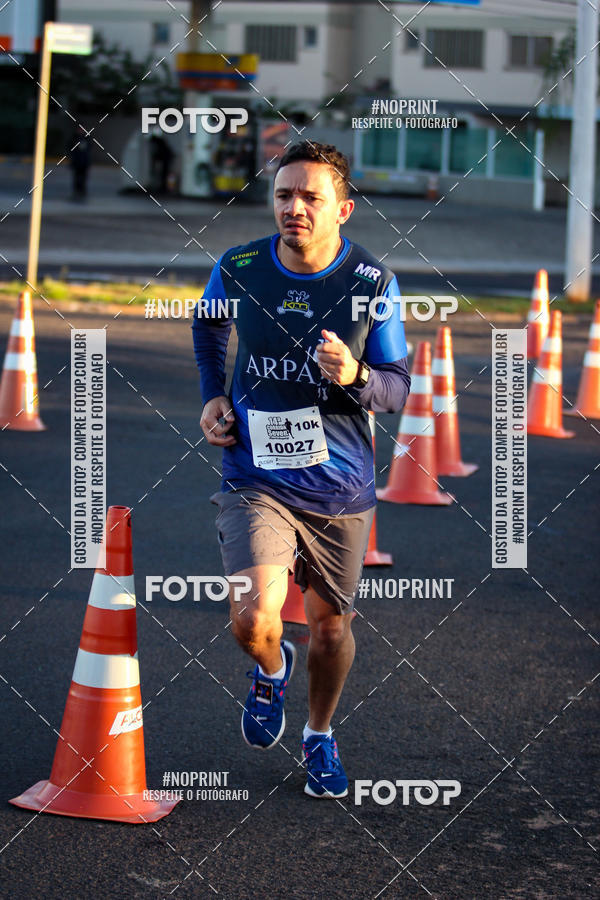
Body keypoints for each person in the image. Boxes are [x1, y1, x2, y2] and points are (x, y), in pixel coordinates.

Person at [192, 141, 410, 798]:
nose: (294, 208)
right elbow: (208, 326)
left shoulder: (373, 285)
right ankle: (268, 667)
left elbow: (398, 388)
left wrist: (357, 375)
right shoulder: (240, 267)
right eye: (284, 195)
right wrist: (213, 394)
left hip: (340, 487)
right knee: (252, 617)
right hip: (255, 474)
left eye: (311, 197)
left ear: (342, 208)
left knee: (330, 628)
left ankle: (318, 734)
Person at [68, 125, 91, 201]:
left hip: (84, 161)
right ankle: (77, 189)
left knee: (84, 176)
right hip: (77, 161)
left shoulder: (87, 138)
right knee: (76, 176)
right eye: (80, 129)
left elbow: (89, 149)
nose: (81, 131)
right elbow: (70, 149)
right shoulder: (74, 138)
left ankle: (82, 189)